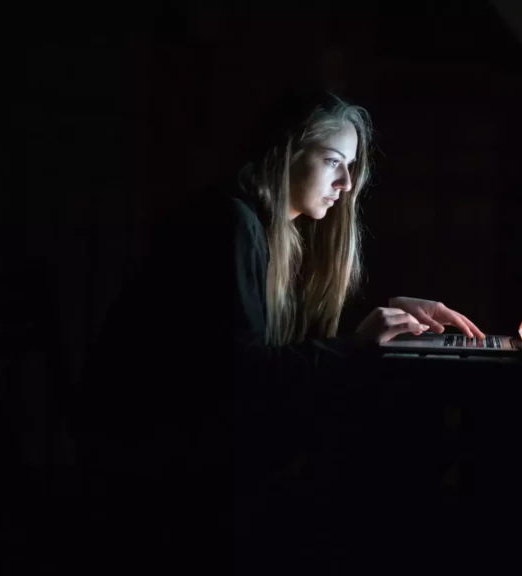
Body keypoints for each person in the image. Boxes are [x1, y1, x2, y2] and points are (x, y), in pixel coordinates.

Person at [69, 89, 485, 573]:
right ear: (287, 151)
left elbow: (256, 362)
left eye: (350, 166)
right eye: (333, 161)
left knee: (385, 417)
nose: (347, 182)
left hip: (184, 433)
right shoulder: (230, 223)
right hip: (156, 454)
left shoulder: (262, 226)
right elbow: (240, 376)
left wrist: (383, 317)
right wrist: (356, 346)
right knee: (387, 424)